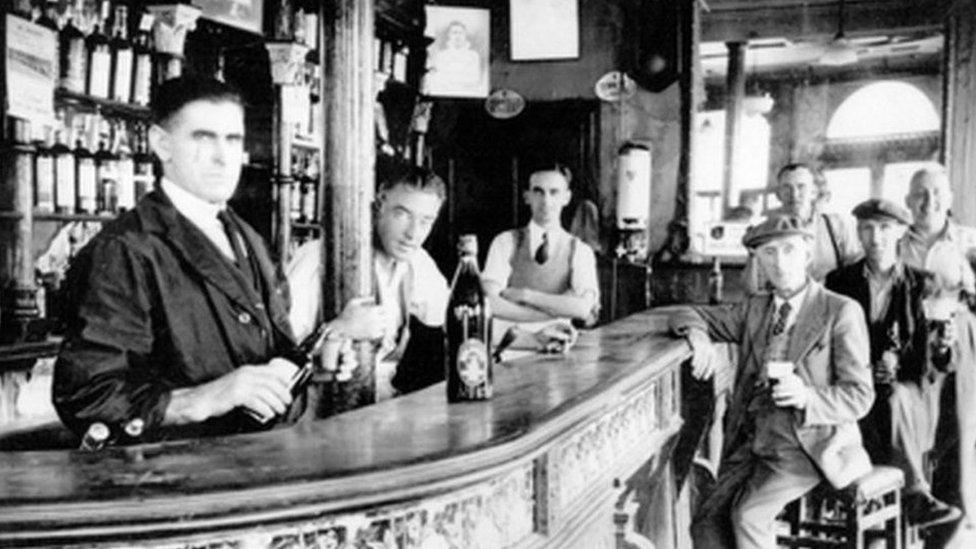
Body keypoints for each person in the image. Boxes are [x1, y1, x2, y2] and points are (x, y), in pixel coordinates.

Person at [52, 76, 383, 441]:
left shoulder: (246, 236)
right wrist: (202, 399)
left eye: (233, 140)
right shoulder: (126, 249)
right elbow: (87, 396)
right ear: (162, 144)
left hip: (253, 461)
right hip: (171, 480)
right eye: (203, 138)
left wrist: (309, 368)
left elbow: (266, 356)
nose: (223, 157)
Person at [287, 164, 578, 400]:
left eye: (426, 220)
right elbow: (277, 354)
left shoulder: (416, 262)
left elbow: (459, 320)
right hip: (315, 413)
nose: (414, 233)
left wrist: (534, 340)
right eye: (402, 215)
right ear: (379, 204)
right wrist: (335, 329)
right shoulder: (318, 258)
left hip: (377, 406)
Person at [669, 214, 873, 549]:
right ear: (758, 261)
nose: (779, 262)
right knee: (705, 519)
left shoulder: (840, 311)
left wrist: (807, 396)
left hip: (808, 445)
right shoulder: (755, 309)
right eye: (768, 253)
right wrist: (697, 335)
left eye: (789, 250)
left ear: (808, 254)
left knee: (748, 516)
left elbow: (860, 396)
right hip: (753, 439)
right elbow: (686, 313)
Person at [823, 198, 962, 526]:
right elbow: (828, 345)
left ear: (901, 231)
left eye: (885, 228)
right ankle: (910, 501)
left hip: (909, 392)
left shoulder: (922, 284)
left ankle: (913, 494)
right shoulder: (839, 282)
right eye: (868, 228)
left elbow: (936, 363)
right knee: (877, 397)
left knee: (894, 396)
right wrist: (865, 369)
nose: (876, 237)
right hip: (854, 384)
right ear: (858, 231)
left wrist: (939, 347)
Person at [482, 163, 600, 326]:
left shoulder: (580, 251)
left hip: (558, 344)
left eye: (554, 192)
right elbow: (490, 303)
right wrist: (560, 308)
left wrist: (526, 296)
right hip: (512, 346)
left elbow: (583, 309)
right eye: (539, 192)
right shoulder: (505, 242)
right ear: (527, 197)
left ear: (566, 198)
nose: (546, 201)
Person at [750, 163, 861, 288]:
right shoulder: (767, 232)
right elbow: (756, 281)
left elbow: (856, 270)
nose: (794, 194)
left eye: (801, 187)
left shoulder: (837, 226)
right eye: (787, 188)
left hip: (830, 301)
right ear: (778, 194)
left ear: (814, 192)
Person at [899, 165, 976, 294]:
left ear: (950, 200)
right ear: (907, 201)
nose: (929, 201)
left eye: (937, 192)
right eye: (920, 194)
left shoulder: (972, 242)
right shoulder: (892, 245)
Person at [427, 20, 483, 95]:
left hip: (468, 94)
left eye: (460, 33)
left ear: (465, 35)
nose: (458, 36)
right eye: (454, 33)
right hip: (444, 94)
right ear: (449, 35)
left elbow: (475, 79)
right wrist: (461, 76)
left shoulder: (473, 56)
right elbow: (439, 79)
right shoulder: (441, 55)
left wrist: (450, 76)